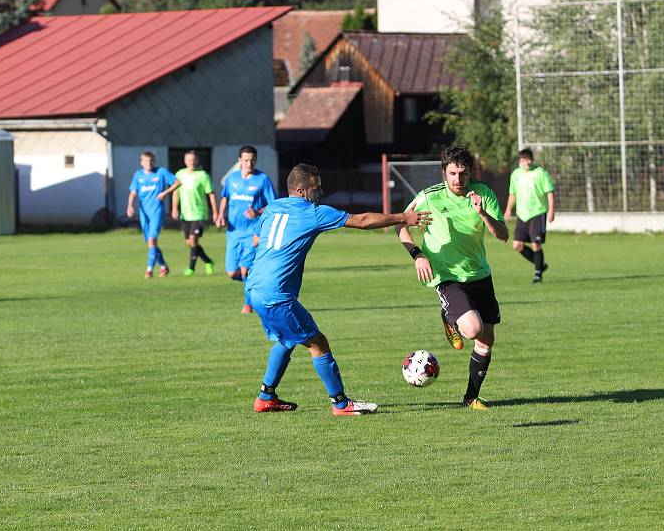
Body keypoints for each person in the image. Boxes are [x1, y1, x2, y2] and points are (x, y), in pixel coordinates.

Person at [246, 163, 432, 416]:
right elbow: (362, 220)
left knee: (286, 339)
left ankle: (266, 398)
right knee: (318, 343)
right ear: (301, 191)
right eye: (316, 188)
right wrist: (403, 217)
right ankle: (341, 404)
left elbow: (257, 240)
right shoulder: (312, 213)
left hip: (254, 289)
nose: (320, 192)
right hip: (276, 294)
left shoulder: (273, 207)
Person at [395, 146, 509, 410]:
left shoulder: (483, 193)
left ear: (471, 173)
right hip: (446, 275)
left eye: (463, 173)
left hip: (479, 273)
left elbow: (503, 235)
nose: (458, 179)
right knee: (472, 329)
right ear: (443, 173)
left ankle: (471, 397)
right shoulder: (429, 197)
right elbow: (400, 223)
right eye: (453, 173)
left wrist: (483, 214)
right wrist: (417, 254)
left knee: (487, 339)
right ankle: (450, 317)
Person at [216, 146, 276, 313]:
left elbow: (273, 204)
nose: (249, 163)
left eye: (252, 160)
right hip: (233, 232)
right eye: (246, 160)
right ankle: (256, 283)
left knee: (245, 269)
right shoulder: (231, 179)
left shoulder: (262, 179)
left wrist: (258, 212)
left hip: (252, 233)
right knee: (231, 272)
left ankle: (249, 303)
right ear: (239, 160)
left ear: (255, 160)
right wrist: (220, 215)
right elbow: (225, 197)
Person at [504, 148, 555, 283]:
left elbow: (549, 192)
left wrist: (551, 211)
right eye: (522, 160)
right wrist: (508, 209)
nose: (525, 162)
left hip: (538, 213)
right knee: (517, 245)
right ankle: (541, 264)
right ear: (519, 161)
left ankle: (538, 274)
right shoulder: (515, 174)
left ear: (531, 160)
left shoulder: (540, 173)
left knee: (535, 244)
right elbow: (512, 194)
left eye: (527, 159)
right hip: (522, 214)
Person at [126, 151, 176, 279]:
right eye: (146, 161)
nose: (149, 163)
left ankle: (149, 270)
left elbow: (177, 182)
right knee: (150, 243)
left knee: (152, 240)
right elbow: (133, 192)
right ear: (141, 163)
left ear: (154, 161)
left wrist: (165, 192)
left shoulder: (161, 172)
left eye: (151, 161)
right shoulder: (138, 175)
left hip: (156, 211)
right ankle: (164, 267)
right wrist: (130, 205)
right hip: (144, 213)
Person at [171, 151, 217, 277]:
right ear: (185, 161)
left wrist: (215, 212)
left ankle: (191, 268)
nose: (192, 162)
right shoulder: (179, 174)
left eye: (194, 160)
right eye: (189, 160)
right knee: (190, 243)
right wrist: (174, 208)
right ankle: (208, 261)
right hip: (185, 214)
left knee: (193, 240)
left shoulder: (203, 175)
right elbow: (175, 192)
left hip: (199, 213)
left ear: (197, 161)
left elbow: (211, 193)